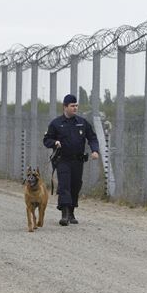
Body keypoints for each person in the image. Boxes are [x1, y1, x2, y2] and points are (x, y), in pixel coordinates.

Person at [43, 94, 99, 226]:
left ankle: (72, 212)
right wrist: (55, 142)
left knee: (75, 185)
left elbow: (92, 137)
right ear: (65, 107)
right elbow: (46, 140)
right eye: (72, 106)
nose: (75, 108)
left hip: (77, 160)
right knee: (64, 185)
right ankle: (64, 214)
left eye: (76, 105)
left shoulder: (82, 122)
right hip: (62, 160)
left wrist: (95, 150)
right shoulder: (56, 123)